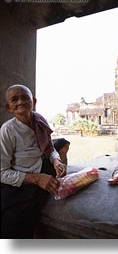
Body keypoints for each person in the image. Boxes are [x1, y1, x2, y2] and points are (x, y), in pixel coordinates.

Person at [0, 84, 66, 238]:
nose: (21, 102)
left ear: (33, 101)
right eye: (14, 99)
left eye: (25, 97)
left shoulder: (39, 120)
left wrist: (56, 161)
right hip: (22, 176)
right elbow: (2, 172)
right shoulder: (7, 131)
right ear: (9, 107)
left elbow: (49, 148)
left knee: (62, 143)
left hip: (42, 163)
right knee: (13, 224)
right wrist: (37, 179)